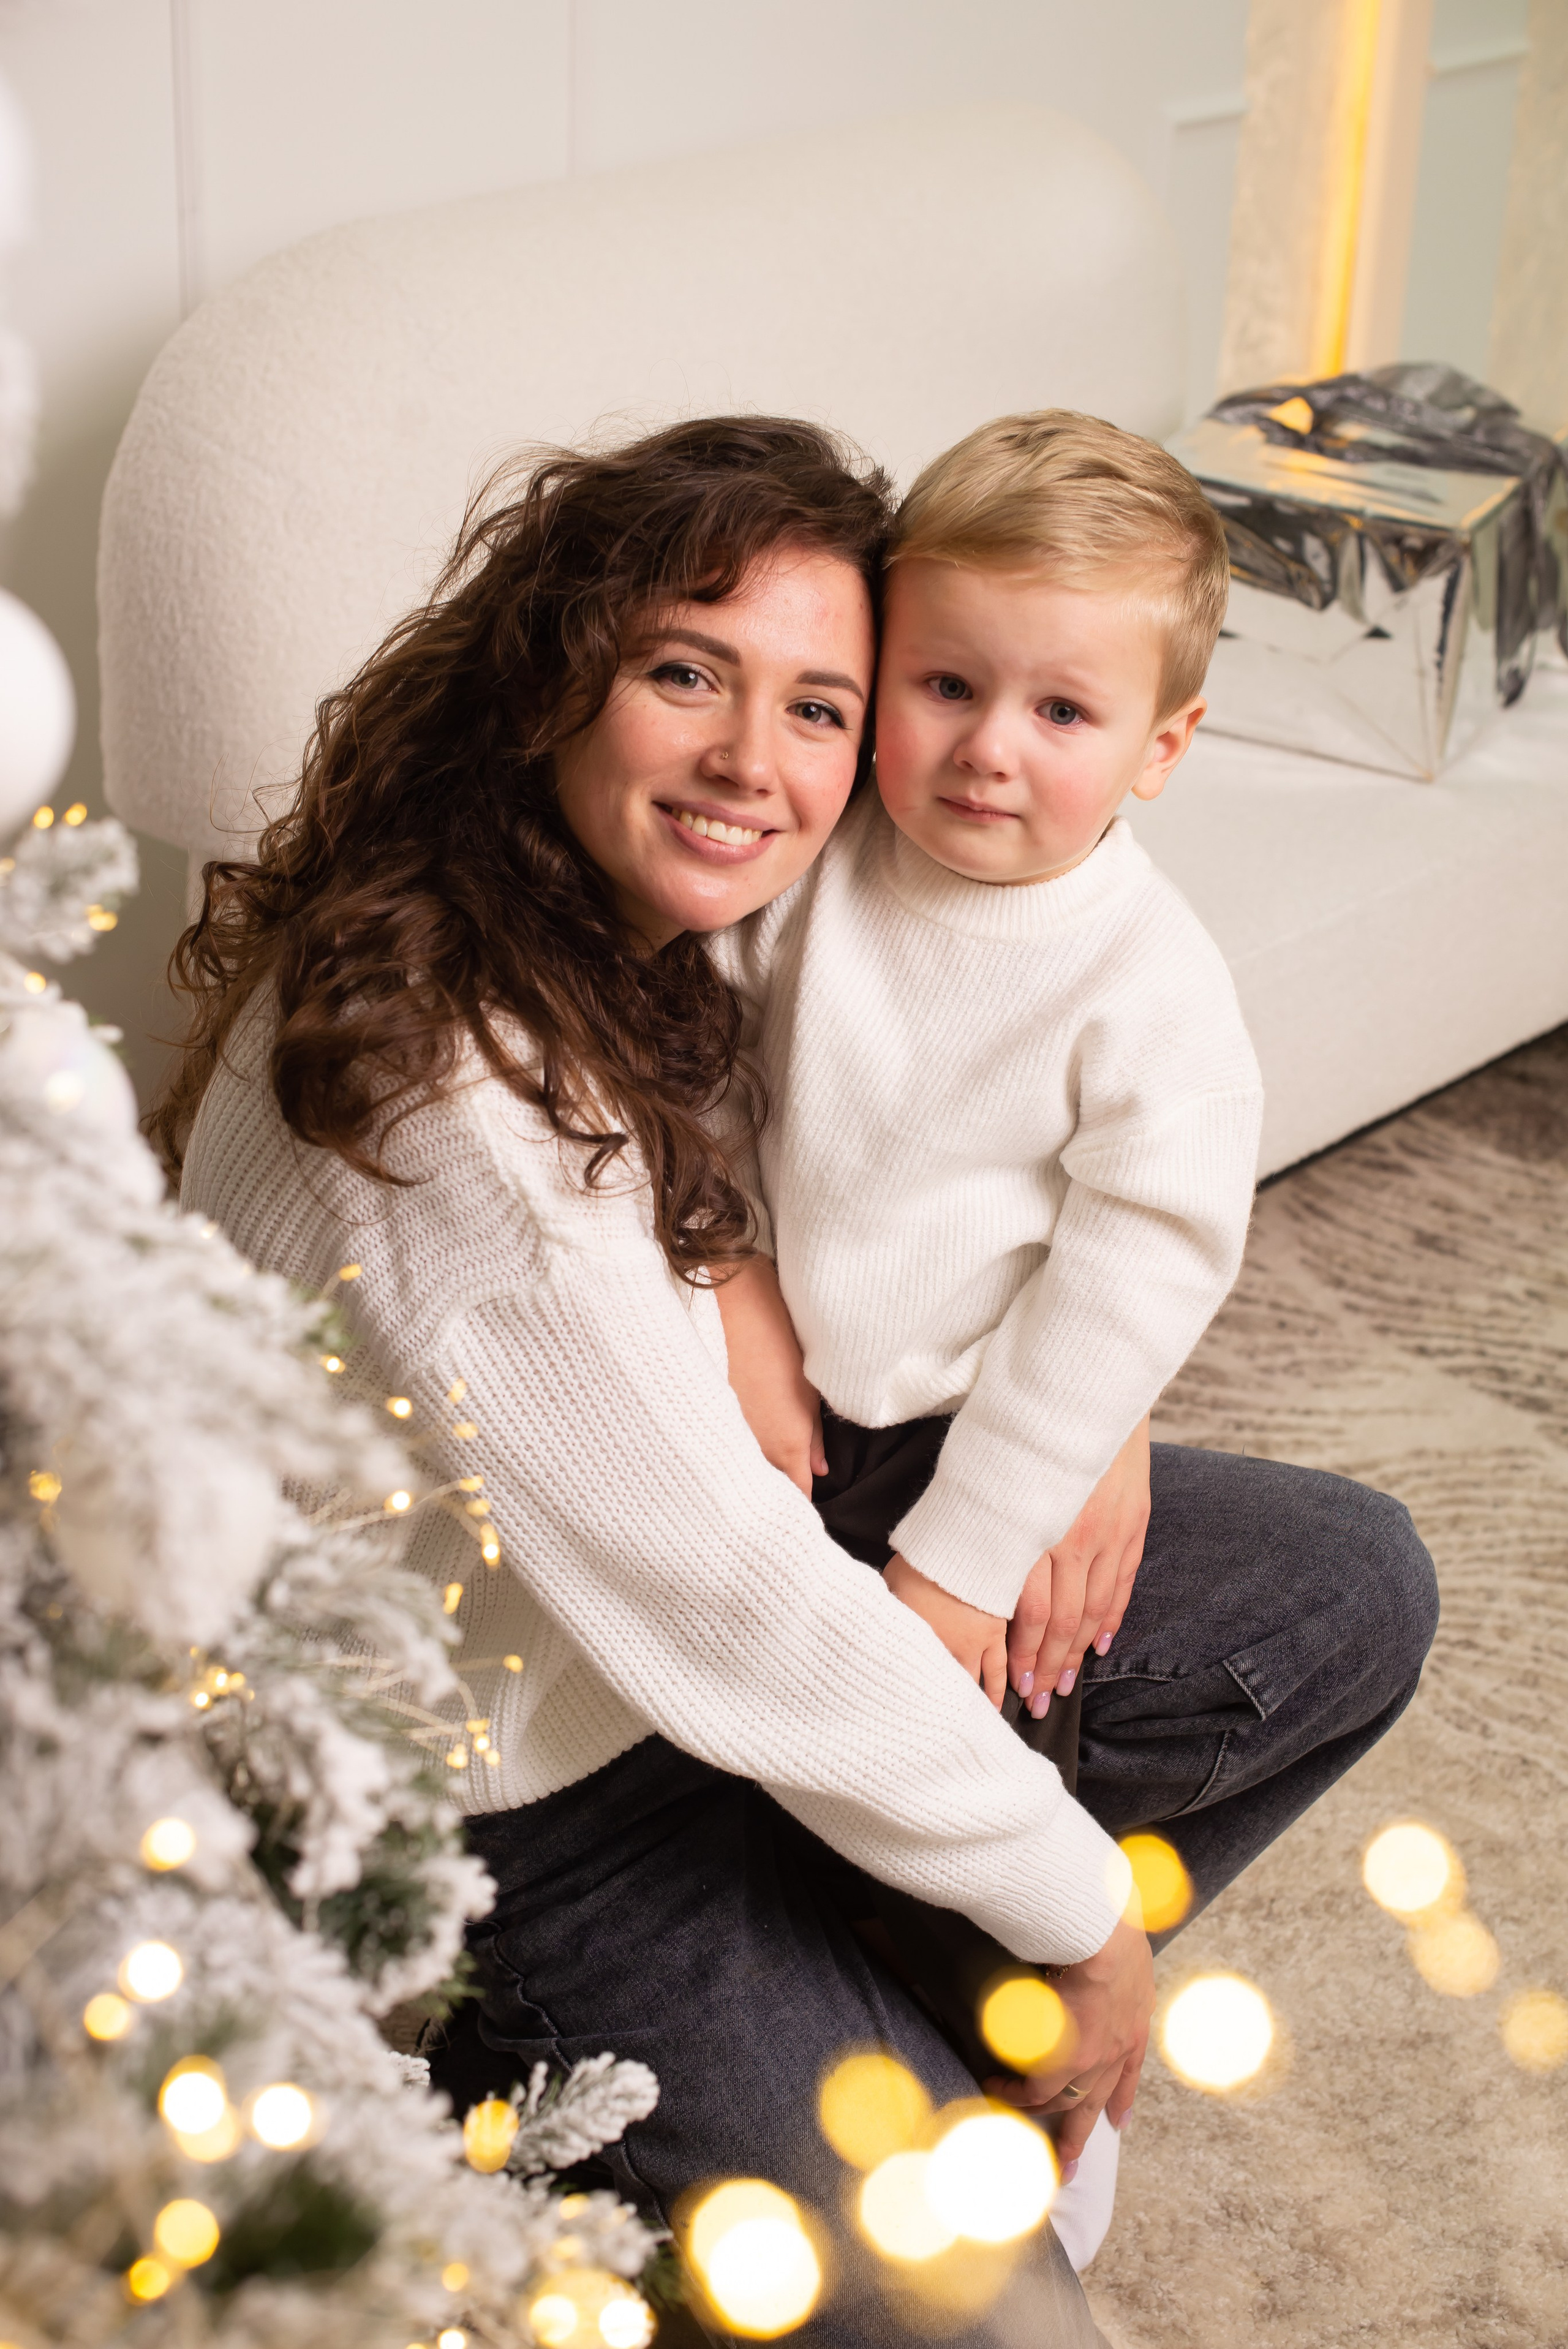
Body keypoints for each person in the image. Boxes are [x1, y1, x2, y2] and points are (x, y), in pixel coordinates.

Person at [155, 416, 1437, 2345]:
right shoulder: (460, 1125)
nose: (760, 760)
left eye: (818, 703)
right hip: (528, 1794)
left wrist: (1069, 1432)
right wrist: (1083, 1929)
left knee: (1348, 1584)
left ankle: (861, 1948)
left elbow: (1053, 1218)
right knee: (1014, 2324)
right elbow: (743, 1608)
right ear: (558, 671)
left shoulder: (647, 907)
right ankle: (525, 2107)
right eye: (688, 672)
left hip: (729, 1576)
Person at [707, 407, 1265, 2253]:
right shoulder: (814, 865)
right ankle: (816, 1955)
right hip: (782, 1404)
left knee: (1006, 1765)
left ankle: (1026, 2054)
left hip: (980, 1440)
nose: (984, 751)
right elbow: (683, 1069)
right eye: (942, 684)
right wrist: (733, 1272)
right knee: (769, 1759)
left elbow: (1136, 1269)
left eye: (1062, 714)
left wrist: (964, 1556)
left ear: (1162, 747)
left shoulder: (1145, 981)